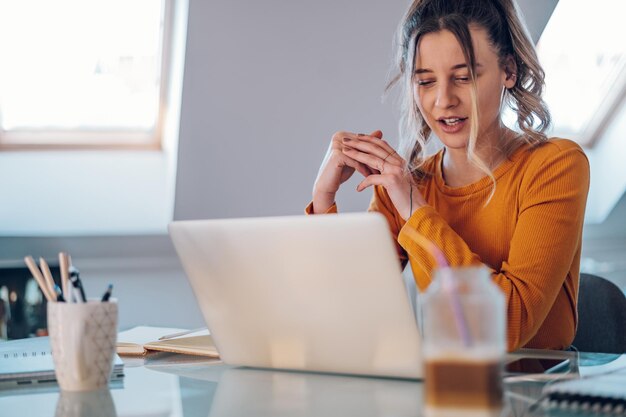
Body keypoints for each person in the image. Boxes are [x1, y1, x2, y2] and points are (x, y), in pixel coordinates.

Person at [307, 0, 589, 351]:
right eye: (425, 81)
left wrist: (416, 210)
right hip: (443, 390)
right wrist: (323, 200)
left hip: (537, 397)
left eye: (463, 77)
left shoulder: (555, 165)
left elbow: (507, 326)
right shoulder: (406, 185)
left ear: (509, 71)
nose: (443, 100)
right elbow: (344, 312)